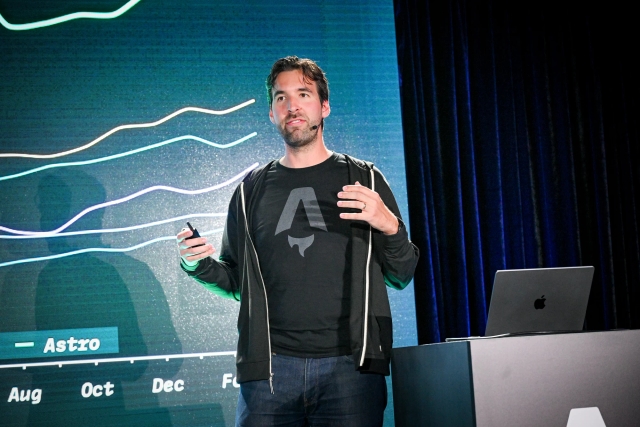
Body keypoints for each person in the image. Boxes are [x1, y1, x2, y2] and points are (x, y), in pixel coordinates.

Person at [177, 56, 419, 427]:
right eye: (280, 98)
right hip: (270, 371)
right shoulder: (250, 191)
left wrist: (388, 225)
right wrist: (197, 265)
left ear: (324, 107)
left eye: (303, 94)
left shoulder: (365, 179)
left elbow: (401, 274)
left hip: (351, 369)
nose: (291, 106)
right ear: (272, 114)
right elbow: (237, 282)